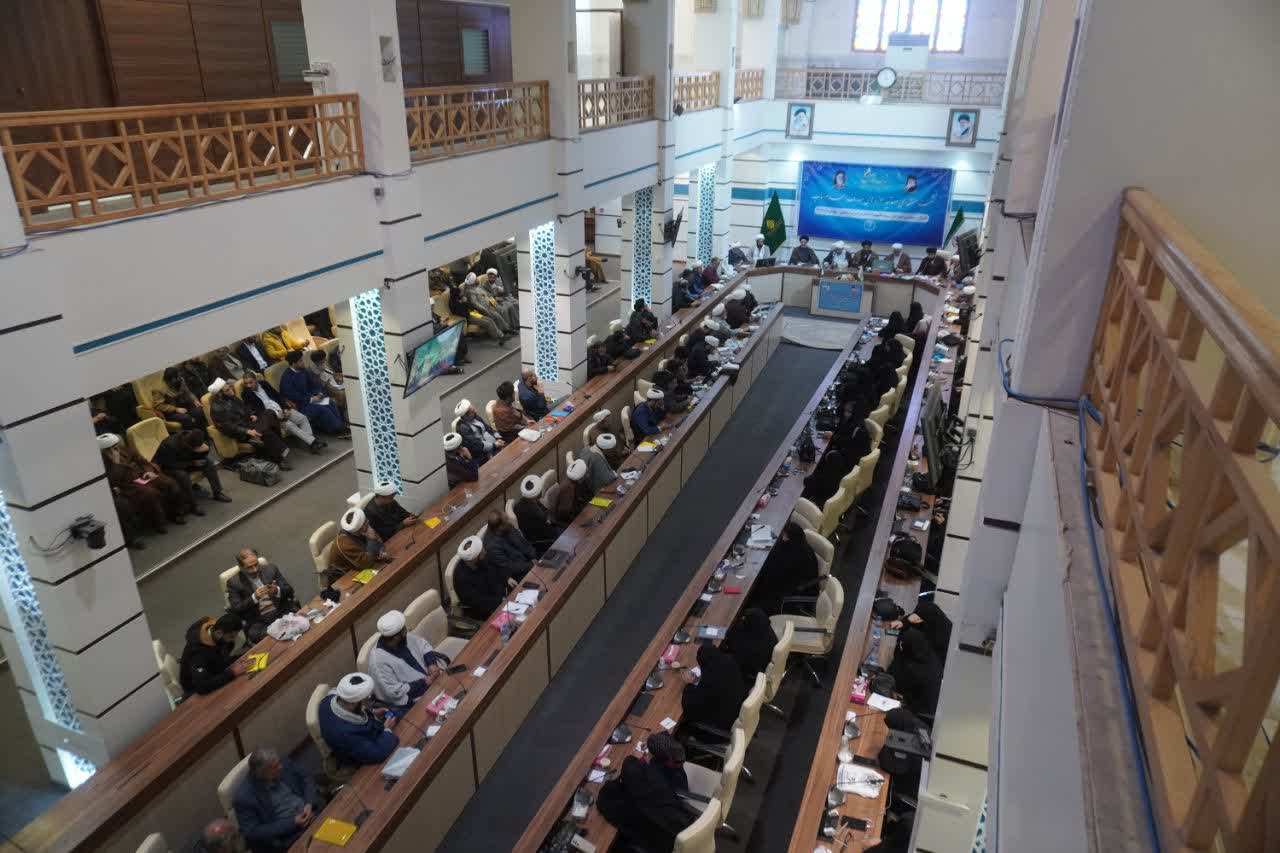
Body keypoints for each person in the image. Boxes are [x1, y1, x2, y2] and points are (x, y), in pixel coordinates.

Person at [596, 732, 696, 851]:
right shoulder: (662, 776)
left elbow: (604, 799)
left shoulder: (628, 798)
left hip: (666, 844)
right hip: (685, 831)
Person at [232, 748, 323, 853]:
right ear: (261, 773)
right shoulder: (243, 797)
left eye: (278, 763)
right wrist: (293, 822)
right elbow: (253, 831)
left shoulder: (282, 761)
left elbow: (305, 778)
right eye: (275, 768)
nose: (281, 767)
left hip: (313, 812)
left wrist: (309, 803)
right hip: (292, 835)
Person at [99, 433, 188, 531]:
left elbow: (143, 461)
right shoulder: (102, 462)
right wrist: (116, 463)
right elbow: (114, 481)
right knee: (151, 494)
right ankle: (160, 523)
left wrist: (148, 471)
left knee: (169, 483)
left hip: (143, 475)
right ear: (104, 451)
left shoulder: (127, 450)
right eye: (111, 448)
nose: (116, 450)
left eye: (116, 446)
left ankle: (177, 514)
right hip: (128, 483)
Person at [317, 673, 399, 771]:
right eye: (367, 699)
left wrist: (372, 712)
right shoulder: (346, 734)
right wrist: (387, 730)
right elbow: (378, 753)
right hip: (359, 758)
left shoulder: (329, 699)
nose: (370, 702)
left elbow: (360, 708)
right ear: (354, 703)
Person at [369, 610, 445, 713]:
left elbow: (423, 645)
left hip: (433, 682)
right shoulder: (378, 662)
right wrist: (424, 683)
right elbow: (394, 692)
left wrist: (431, 664)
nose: (407, 631)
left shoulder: (404, 638)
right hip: (412, 700)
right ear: (396, 637)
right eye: (404, 630)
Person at [210, 378, 290, 467]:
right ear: (220, 394)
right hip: (240, 432)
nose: (231, 390)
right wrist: (247, 431)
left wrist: (251, 414)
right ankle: (279, 459)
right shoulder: (217, 408)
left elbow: (244, 408)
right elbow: (228, 427)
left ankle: (261, 436)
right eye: (227, 390)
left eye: (230, 387)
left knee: (269, 412)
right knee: (266, 431)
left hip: (248, 423)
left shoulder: (231, 397)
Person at [240, 372, 323, 454]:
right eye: (246, 383)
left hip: (282, 409)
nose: (249, 385)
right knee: (289, 425)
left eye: (251, 382)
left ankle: (311, 443)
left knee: (302, 418)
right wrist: (277, 416)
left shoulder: (264, 384)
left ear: (256, 380)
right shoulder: (246, 394)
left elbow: (277, 396)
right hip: (272, 417)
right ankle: (313, 442)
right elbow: (257, 411)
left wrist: (285, 408)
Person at [226, 548, 298, 642]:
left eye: (256, 564)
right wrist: (254, 598)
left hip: (281, 611)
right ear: (241, 567)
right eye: (249, 567)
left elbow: (289, 590)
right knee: (258, 635)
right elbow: (236, 609)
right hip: (260, 621)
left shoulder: (271, 569)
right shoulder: (234, 583)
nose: (255, 570)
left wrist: (277, 590)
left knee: (298, 618)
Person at [154, 429, 231, 511]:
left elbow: (199, 454)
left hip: (187, 461)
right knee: (182, 476)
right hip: (170, 467)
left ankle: (217, 493)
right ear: (189, 445)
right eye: (196, 448)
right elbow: (170, 464)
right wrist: (192, 463)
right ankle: (192, 505)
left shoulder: (195, 438)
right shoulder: (170, 445)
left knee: (209, 463)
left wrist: (206, 450)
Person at [751, 521, 820, 613]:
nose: (783, 538)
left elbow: (777, 577)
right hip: (789, 585)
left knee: (755, 597)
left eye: (785, 536)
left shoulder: (798, 555)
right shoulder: (797, 545)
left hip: (794, 595)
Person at [681, 644, 747, 735]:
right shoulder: (730, 660)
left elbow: (690, 708)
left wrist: (688, 685)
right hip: (737, 710)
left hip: (719, 729)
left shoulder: (709, 682)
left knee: (683, 722)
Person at [279, 351, 348, 436]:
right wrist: (311, 398)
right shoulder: (287, 378)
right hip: (301, 405)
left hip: (311, 399)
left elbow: (312, 385)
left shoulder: (303, 371)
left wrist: (318, 393)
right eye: (300, 361)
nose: (303, 362)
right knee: (322, 409)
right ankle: (337, 430)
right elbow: (292, 397)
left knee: (329, 402)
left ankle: (340, 425)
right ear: (293, 363)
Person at [179, 614, 247, 695]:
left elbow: (220, 659)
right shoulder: (198, 653)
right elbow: (202, 687)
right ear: (219, 633)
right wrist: (233, 673)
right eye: (231, 637)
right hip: (195, 691)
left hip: (213, 672)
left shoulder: (216, 632)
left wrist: (237, 660)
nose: (233, 640)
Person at [453, 536, 513, 620]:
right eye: (482, 552)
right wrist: (500, 601)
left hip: (502, 600)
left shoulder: (482, 560)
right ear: (475, 558)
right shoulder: (462, 578)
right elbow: (478, 602)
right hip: (484, 614)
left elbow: (495, 571)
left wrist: (507, 578)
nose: (485, 552)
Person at [328, 507, 391, 585]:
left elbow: (378, 539)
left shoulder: (362, 528)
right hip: (346, 578)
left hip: (363, 564)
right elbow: (365, 563)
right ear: (361, 528)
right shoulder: (345, 544)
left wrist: (381, 550)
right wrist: (371, 540)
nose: (368, 522)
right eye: (366, 523)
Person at [887, 628, 942, 715]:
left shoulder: (913, 669)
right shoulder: (929, 654)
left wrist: (899, 652)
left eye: (903, 645)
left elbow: (892, 678)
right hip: (932, 705)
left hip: (920, 712)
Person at [723, 608, 778, 684]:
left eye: (745, 619)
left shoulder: (744, 645)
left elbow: (731, 649)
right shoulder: (766, 629)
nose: (743, 620)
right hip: (764, 665)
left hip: (749, 675)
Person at [513, 474, 562, 556]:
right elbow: (548, 532)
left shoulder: (519, 505)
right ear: (537, 494)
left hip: (536, 533)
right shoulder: (536, 513)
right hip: (544, 540)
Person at [482, 509, 535, 582]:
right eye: (506, 522)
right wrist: (531, 565)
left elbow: (523, 542)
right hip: (519, 574)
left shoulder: (507, 527)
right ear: (500, 527)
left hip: (530, 563)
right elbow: (509, 567)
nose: (509, 522)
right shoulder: (491, 546)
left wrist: (533, 556)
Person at [152, 366, 207, 431]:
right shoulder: (159, 389)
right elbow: (158, 405)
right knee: (187, 419)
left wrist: (195, 400)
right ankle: (192, 435)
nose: (180, 378)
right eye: (178, 377)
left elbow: (188, 392)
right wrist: (175, 409)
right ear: (172, 380)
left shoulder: (180, 380)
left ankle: (204, 434)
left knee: (200, 412)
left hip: (184, 404)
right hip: (171, 411)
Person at [450, 279, 504, 344]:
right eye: (460, 292)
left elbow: (469, 306)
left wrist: (466, 303)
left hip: (473, 313)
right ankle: (498, 338)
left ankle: (501, 335)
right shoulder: (454, 303)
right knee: (488, 323)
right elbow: (462, 312)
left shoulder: (460, 299)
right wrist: (464, 303)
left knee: (489, 319)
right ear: (457, 294)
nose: (461, 293)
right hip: (468, 317)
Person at [462, 272, 513, 340]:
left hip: (490, 305)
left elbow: (487, 295)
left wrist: (494, 301)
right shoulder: (470, 291)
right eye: (476, 278)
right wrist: (485, 310)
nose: (477, 279)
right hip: (480, 311)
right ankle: (502, 335)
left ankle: (507, 329)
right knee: (495, 316)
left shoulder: (478, 286)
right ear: (473, 282)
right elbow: (475, 303)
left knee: (501, 310)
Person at [553, 459, 593, 525]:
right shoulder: (568, 489)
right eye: (586, 473)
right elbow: (565, 514)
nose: (588, 475)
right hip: (567, 523)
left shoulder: (579, 483)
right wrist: (581, 520)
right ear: (581, 477)